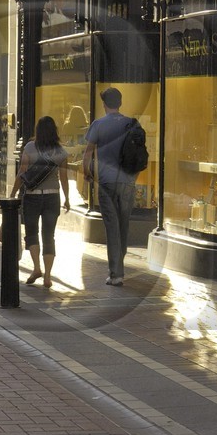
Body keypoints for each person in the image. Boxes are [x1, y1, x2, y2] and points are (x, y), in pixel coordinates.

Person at [82, 87, 139, 286]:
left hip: (106, 183)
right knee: (123, 225)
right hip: (127, 183)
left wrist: (87, 173)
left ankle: (116, 273)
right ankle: (119, 267)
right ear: (120, 103)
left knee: (112, 227)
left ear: (104, 104)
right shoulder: (131, 124)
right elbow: (140, 154)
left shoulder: (98, 125)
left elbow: (88, 153)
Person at [11, 115, 73, 288]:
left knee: (31, 233)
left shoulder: (30, 147)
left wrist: (13, 193)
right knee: (49, 236)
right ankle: (47, 276)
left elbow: (22, 174)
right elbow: (64, 178)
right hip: (53, 196)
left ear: (38, 131)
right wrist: (67, 198)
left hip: (32, 196)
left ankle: (36, 268)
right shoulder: (61, 151)